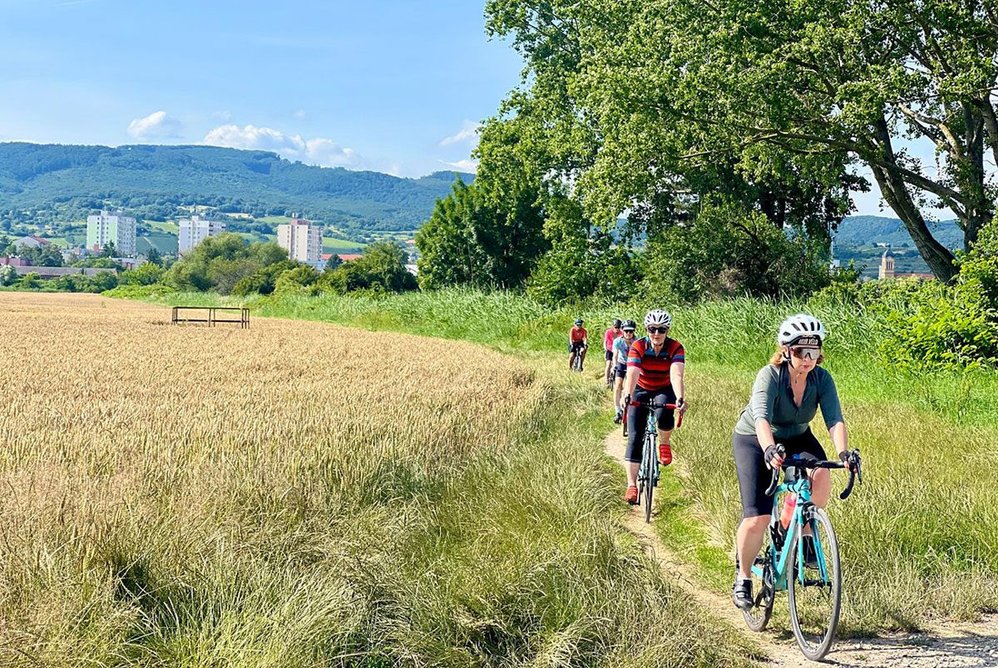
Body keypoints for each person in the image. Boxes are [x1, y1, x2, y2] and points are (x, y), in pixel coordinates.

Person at [730, 314, 860, 612]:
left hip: (798, 436)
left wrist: (843, 453)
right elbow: (761, 417)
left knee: (821, 476)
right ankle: (744, 576)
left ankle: (797, 529)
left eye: (814, 351)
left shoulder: (821, 379)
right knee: (757, 517)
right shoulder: (769, 375)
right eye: (801, 351)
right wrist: (768, 450)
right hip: (755, 439)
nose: (808, 358)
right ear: (786, 350)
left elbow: (834, 418)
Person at [620, 309, 687, 504]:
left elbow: (676, 374)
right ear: (646, 329)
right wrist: (627, 394)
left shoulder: (675, 347)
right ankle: (631, 485)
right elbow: (632, 372)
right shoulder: (638, 346)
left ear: (667, 330)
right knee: (634, 436)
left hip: (663, 387)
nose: (657, 334)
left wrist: (681, 397)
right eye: (652, 329)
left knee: (665, 411)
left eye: (661, 330)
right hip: (641, 387)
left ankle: (664, 443)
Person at [612, 320, 637, 423]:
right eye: (626, 331)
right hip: (621, 363)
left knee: (628, 386)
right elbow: (615, 355)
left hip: (633, 365)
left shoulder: (637, 341)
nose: (628, 333)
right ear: (622, 331)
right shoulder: (618, 341)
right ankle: (617, 411)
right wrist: (614, 366)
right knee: (618, 385)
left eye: (631, 331)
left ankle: (629, 408)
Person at [604, 318, 623, 385]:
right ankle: (606, 380)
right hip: (609, 349)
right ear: (613, 326)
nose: (617, 329)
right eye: (615, 327)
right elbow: (605, 341)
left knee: (618, 364)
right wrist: (605, 349)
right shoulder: (608, 332)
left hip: (617, 351)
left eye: (618, 327)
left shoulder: (622, 333)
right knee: (608, 364)